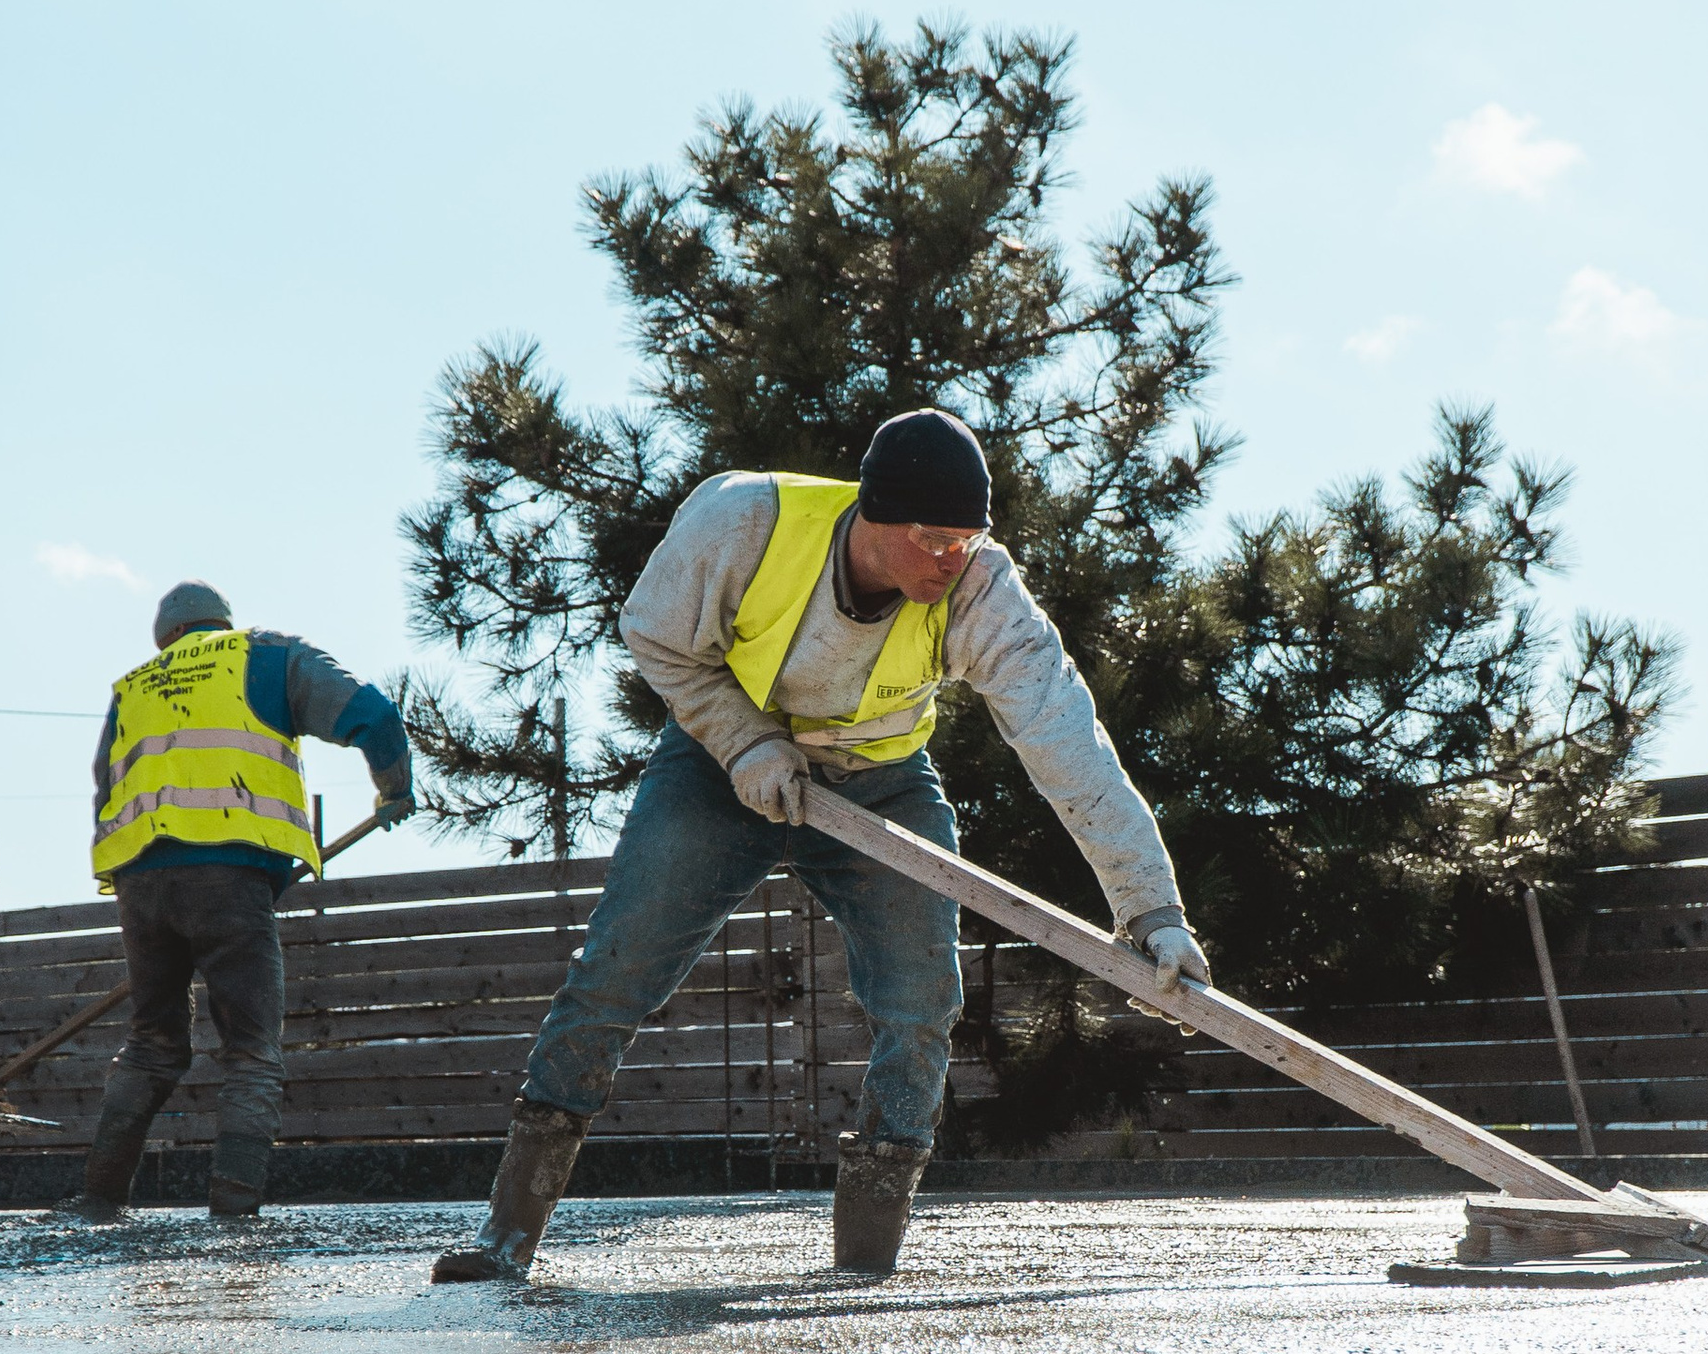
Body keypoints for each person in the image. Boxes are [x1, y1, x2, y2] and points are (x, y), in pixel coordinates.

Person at [431, 409, 1207, 1285]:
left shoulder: (982, 591)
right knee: (615, 973)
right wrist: (742, 740)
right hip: (721, 767)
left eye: (969, 540)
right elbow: (653, 631)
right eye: (936, 539)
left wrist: (1152, 908)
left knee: (921, 1001)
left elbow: (1068, 741)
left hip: (881, 778)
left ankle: (864, 1266)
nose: (954, 559)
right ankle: (506, 1241)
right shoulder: (745, 524)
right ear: (876, 516)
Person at [78, 582, 416, 1220]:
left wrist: (139, 880)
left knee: (152, 1045)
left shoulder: (134, 688)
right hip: (231, 881)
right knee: (252, 1051)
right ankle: (233, 1216)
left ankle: (97, 1202)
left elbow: (107, 790)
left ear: (167, 637)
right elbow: (375, 715)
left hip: (142, 884)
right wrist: (393, 788)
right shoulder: (269, 657)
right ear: (219, 623)